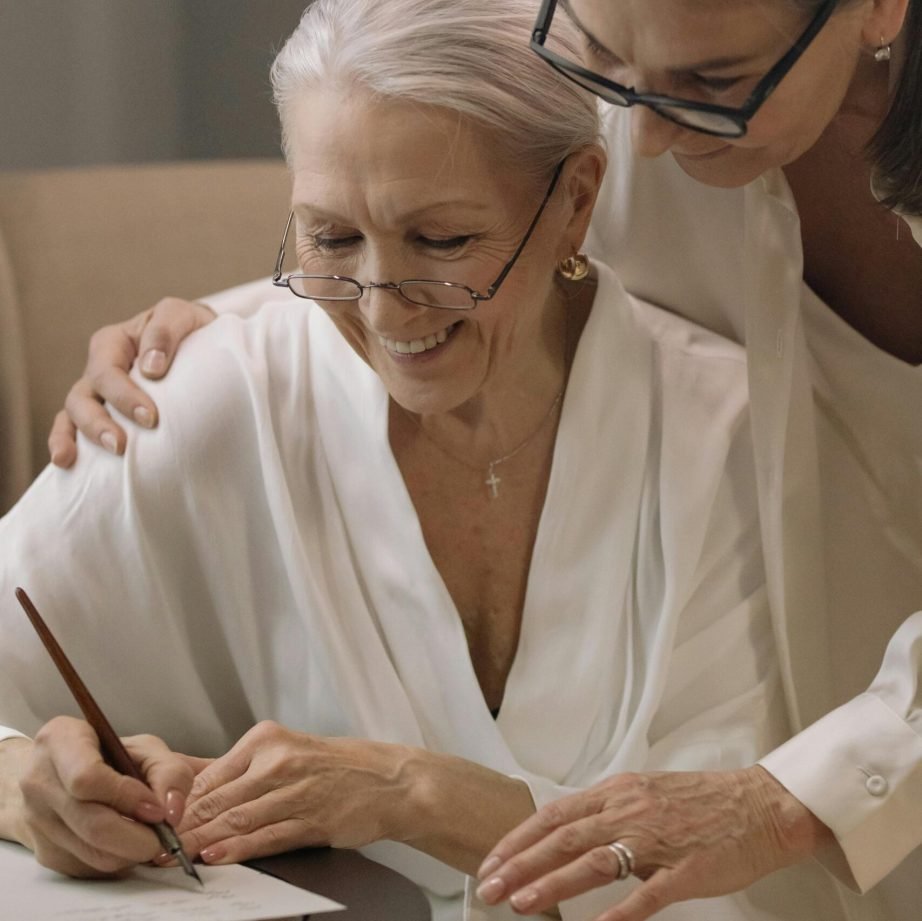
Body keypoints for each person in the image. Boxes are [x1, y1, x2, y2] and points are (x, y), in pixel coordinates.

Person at [48, 0, 922, 918]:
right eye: (614, 59)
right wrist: (230, 336)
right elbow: (450, 178)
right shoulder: (610, 64)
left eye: (712, 85)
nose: (646, 138)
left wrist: (788, 798)